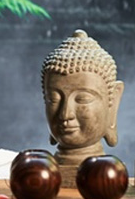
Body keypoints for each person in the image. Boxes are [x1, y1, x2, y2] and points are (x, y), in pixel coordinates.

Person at [41, 29, 125, 166]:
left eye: (82, 99)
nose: (65, 115)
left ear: (113, 102)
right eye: (54, 99)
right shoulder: (40, 172)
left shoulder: (108, 175)